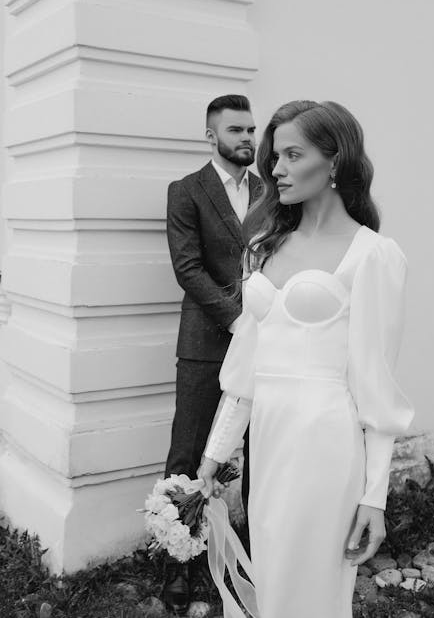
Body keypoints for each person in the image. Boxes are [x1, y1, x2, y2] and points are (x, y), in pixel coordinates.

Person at [198, 100, 414, 618]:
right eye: (275, 156)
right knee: (273, 576)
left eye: (293, 155)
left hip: (326, 441)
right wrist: (213, 455)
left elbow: (377, 387)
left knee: (312, 586)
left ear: (335, 161)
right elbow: (246, 369)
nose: (276, 169)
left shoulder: (372, 255)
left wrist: (375, 498)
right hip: (270, 440)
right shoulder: (265, 245)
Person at [163, 94, 262, 613]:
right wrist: (238, 318)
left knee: (262, 450)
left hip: (268, 345)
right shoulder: (187, 191)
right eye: (236, 130)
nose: (247, 138)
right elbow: (188, 267)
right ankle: (178, 562)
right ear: (211, 136)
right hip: (207, 341)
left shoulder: (273, 191)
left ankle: (258, 551)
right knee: (188, 450)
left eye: (251, 129)